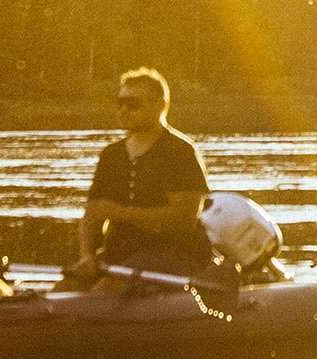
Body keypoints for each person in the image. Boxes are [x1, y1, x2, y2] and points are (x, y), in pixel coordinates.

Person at [69, 67, 211, 281]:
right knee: (62, 291)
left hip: (173, 255)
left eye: (133, 104)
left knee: (107, 291)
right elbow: (92, 216)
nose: (124, 110)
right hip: (118, 255)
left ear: (160, 105)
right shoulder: (111, 155)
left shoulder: (180, 152)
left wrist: (121, 213)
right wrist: (87, 256)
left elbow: (185, 219)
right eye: (120, 103)